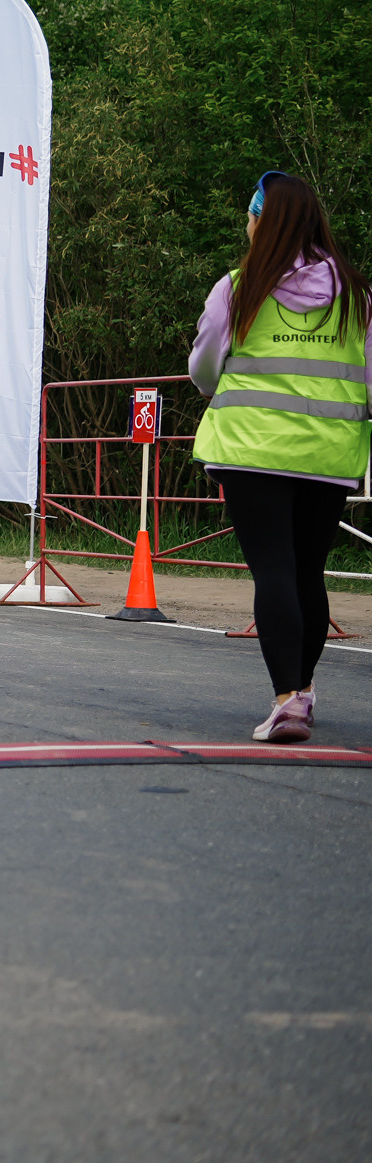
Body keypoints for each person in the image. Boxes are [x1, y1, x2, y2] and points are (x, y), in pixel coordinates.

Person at [191, 172, 371, 744]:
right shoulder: (357, 295)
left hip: (252, 449)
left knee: (272, 569)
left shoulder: (239, 289)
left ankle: (287, 699)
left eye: (249, 216)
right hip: (328, 453)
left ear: (261, 222)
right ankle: (304, 690)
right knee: (307, 572)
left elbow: (203, 371)